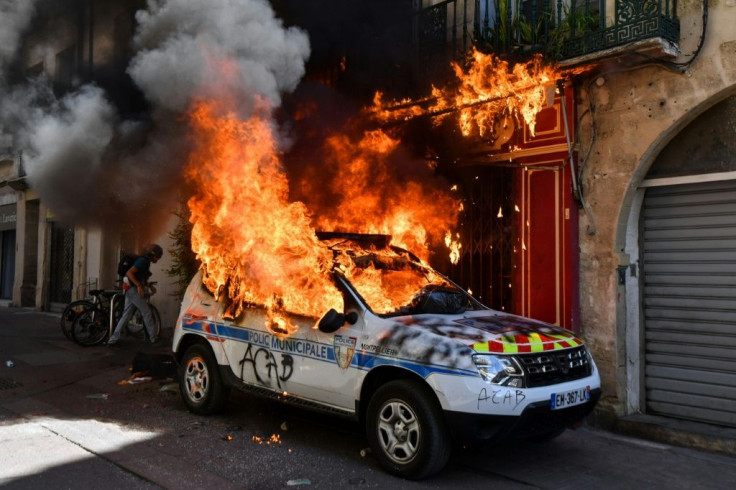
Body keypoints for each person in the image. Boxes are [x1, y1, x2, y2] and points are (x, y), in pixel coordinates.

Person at [107, 244, 163, 345]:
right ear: (153, 255)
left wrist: (149, 285)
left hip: (130, 289)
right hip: (132, 290)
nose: (158, 259)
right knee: (147, 312)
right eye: (158, 257)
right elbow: (129, 273)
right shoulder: (143, 262)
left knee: (126, 315)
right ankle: (153, 338)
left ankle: (113, 339)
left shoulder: (145, 262)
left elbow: (139, 277)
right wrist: (139, 286)